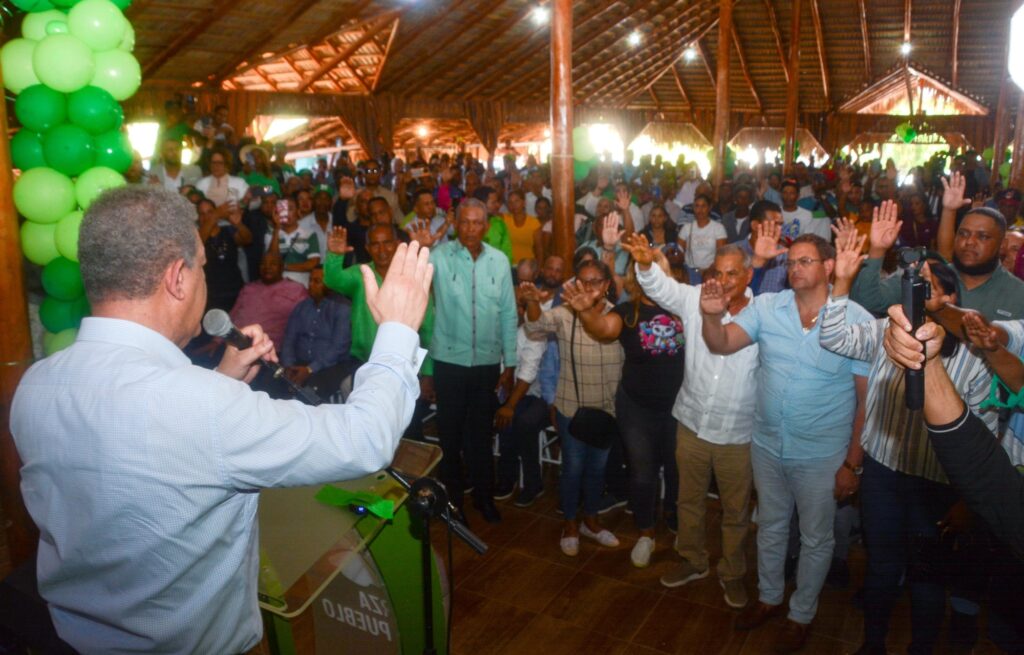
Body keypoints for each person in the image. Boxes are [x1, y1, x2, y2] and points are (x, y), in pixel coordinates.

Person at [9, 186, 432, 654]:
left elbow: (139, 457)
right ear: (178, 278)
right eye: (203, 266)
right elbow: (364, 439)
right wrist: (397, 331)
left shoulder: (35, 386)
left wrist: (222, 379)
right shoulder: (201, 407)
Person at [822, 210, 1002, 655]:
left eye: (928, 287)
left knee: (927, 578)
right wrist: (842, 282)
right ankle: (873, 645)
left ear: (951, 298)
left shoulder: (975, 359)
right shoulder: (888, 330)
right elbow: (834, 338)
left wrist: (966, 500)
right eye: (913, 286)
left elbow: (985, 437)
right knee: (882, 569)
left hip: (937, 485)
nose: (918, 294)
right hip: (883, 472)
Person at [701, 234, 871, 653]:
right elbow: (721, 343)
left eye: (805, 261)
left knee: (816, 538)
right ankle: (769, 597)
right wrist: (711, 317)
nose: (795, 268)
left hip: (822, 453)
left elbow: (867, 401)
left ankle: (801, 615)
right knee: (771, 526)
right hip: (767, 445)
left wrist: (852, 463)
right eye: (791, 262)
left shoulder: (857, 320)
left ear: (829, 267)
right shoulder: (768, 307)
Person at [624, 234, 760, 608]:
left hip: (737, 432)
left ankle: (732, 574)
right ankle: (693, 561)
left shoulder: (763, 313)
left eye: (733, 273)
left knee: (735, 512)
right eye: (718, 272)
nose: (723, 281)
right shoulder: (695, 298)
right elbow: (661, 288)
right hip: (692, 424)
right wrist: (645, 264)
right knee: (689, 501)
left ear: (748, 275)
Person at [566, 245, 685, 568]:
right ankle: (646, 533)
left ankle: (676, 519)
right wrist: (586, 312)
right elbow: (602, 329)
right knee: (643, 474)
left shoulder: (683, 308)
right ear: (635, 276)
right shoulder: (627, 311)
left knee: (678, 471)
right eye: (643, 269)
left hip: (680, 408)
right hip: (637, 408)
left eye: (656, 267)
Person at [523, 260, 624, 557]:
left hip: (607, 410)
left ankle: (590, 521)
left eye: (595, 281)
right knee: (573, 470)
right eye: (583, 281)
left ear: (607, 285)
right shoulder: (565, 313)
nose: (588, 287)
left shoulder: (618, 316)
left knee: (597, 470)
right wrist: (532, 302)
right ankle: (569, 524)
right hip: (572, 408)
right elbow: (536, 325)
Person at [429, 198, 518, 523]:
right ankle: (453, 504)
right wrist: (421, 248)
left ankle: (484, 497)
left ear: (487, 226)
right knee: (450, 437)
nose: (470, 229)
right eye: (464, 222)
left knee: (480, 436)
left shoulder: (499, 261)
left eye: (477, 222)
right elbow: (411, 281)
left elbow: (508, 313)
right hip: (449, 362)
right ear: (455, 223)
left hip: (486, 364)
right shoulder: (438, 257)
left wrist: (510, 362)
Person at [851, 171, 1024, 320]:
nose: (970, 241)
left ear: (1002, 245)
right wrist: (877, 250)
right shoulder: (931, 274)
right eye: (963, 234)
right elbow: (868, 301)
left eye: (983, 236)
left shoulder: (1018, 294)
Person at [324, 223, 435, 437]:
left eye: (387, 243)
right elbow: (332, 280)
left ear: (397, 244)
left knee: (407, 431)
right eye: (375, 244)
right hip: (364, 364)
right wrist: (335, 256)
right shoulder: (361, 274)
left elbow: (427, 328)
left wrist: (428, 374)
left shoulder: (412, 279)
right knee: (366, 430)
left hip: (406, 366)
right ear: (367, 248)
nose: (382, 250)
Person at [279, 266, 354, 399]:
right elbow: (289, 340)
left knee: (310, 392)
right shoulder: (301, 307)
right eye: (310, 280)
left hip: (330, 366)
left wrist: (310, 369)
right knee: (274, 383)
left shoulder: (343, 308)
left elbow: (337, 349)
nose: (310, 285)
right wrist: (289, 366)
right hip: (299, 363)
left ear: (330, 284)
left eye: (317, 281)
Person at [230, 252, 308, 348]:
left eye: (273, 264)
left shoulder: (296, 289)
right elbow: (233, 315)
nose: (267, 267)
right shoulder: (249, 288)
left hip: (270, 348)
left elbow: (307, 321)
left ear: (281, 267)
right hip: (236, 345)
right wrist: (217, 341)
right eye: (263, 264)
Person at [197, 197, 251, 312]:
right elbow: (198, 243)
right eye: (202, 214)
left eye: (210, 212)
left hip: (236, 292)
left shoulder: (228, 230)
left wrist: (239, 224)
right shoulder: (197, 235)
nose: (207, 217)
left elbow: (248, 240)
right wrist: (215, 215)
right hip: (211, 296)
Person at [679, 193, 727, 284]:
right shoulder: (686, 228)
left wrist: (708, 271)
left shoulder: (718, 228)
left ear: (709, 207)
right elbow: (679, 252)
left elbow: (721, 254)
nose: (700, 210)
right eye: (697, 206)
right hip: (689, 271)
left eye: (703, 206)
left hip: (711, 273)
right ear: (693, 208)